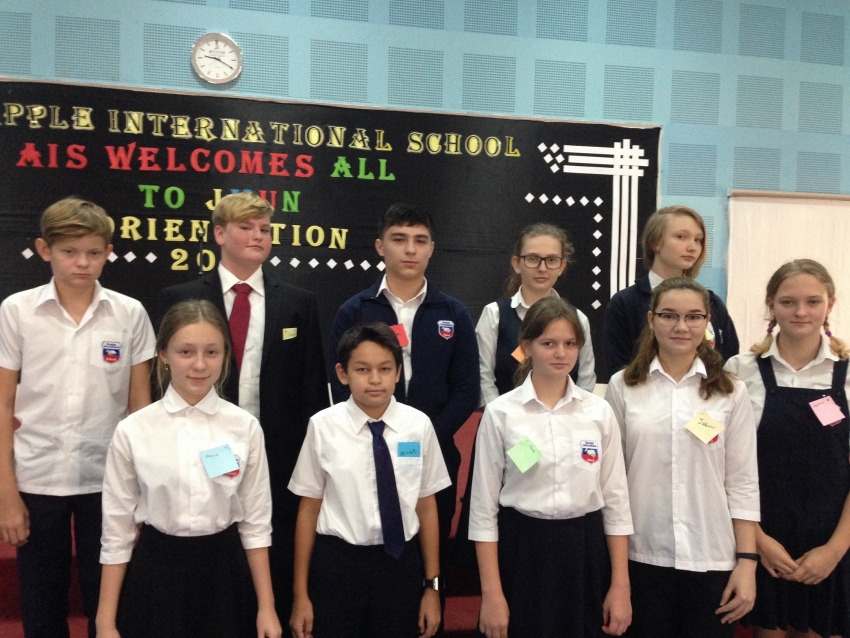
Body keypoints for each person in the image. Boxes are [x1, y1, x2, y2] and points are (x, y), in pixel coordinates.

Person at [157, 192, 328, 619]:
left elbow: (311, 389)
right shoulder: (180, 297)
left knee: (274, 553)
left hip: (278, 456)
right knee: (218, 564)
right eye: (246, 227)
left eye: (265, 229)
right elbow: (162, 384)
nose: (258, 236)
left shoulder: (298, 302)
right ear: (219, 234)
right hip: (201, 449)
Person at [0, 197, 155, 638]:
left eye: (93, 252)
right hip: (37, 477)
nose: (82, 263)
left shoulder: (129, 313)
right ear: (44, 249)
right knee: (41, 604)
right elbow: (3, 404)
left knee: (107, 602)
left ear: (108, 252)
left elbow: (140, 410)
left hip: (107, 480)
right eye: (69, 252)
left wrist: (141, 487)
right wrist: (6, 493)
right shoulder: (17, 311)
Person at [327, 203, 479, 619]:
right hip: (365, 451)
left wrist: (422, 436)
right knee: (372, 555)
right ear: (381, 246)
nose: (410, 249)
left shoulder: (453, 313)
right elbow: (339, 383)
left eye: (420, 241)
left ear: (432, 248)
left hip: (435, 454)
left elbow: (467, 390)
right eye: (399, 239)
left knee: (432, 555)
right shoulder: (355, 310)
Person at [95, 299, 281, 638]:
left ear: (225, 355)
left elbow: (256, 524)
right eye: (185, 352)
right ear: (163, 354)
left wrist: (266, 607)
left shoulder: (244, 427)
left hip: (224, 576)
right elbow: (117, 532)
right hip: (157, 574)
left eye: (212, 352)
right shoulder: (134, 430)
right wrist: (105, 622)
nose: (199, 364)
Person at [470, 297, 633, 638]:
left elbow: (616, 502)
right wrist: (492, 594)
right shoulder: (501, 413)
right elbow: (483, 510)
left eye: (570, 344)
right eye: (548, 343)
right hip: (523, 550)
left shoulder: (598, 412)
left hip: (584, 551)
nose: (561, 353)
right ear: (526, 346)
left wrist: (620, 585)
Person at [605, 276, 759, 638]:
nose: (681, 326)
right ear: (651, 319)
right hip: (641, 555)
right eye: (669, 315)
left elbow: (742, 481)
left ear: (707, 322)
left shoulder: (731, 391)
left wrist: (748, 563)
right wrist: (617, 574)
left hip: (711, 556)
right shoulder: (622, 386)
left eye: (693, 317)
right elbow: (613, 483)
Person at [289, 323, 449, 638]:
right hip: (338, 565)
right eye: (362, 369)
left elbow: (427, 506)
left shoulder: (418, 426)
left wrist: (432, 587)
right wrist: (300, 594)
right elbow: (308, 509)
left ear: (398, 372)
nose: (375, 379)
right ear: (343, 373)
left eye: (385, 369)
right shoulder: (323, 427)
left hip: (399, 564)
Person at [725, 259, 850, 638]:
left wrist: (834, 551)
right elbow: (720, 464)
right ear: (771, 304)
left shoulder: (848, 373)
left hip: (833, 543)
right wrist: (758, 542)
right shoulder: (739, 371)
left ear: (830, 304)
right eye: (788, 302)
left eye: (813, 301)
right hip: (763, 539)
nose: (800, 312)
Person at [603, 205, 739, 378]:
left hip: (707, 392)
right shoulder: (626, 303)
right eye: (681, 237)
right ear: (655, 242)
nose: (692, 247)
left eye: (698, 240)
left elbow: (729, 365)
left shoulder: (713, 303)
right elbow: (618, 370)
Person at [476, 222, 597, 402]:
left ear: (562, 266)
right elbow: (483, 376)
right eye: (533, 259)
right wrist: (498, 414)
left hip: (564, 417)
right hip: (504, 417)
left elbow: (585, 379)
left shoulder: (578, 319)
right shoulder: (495, 314)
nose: (542, 268)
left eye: (552, 260)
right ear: (517, 263)